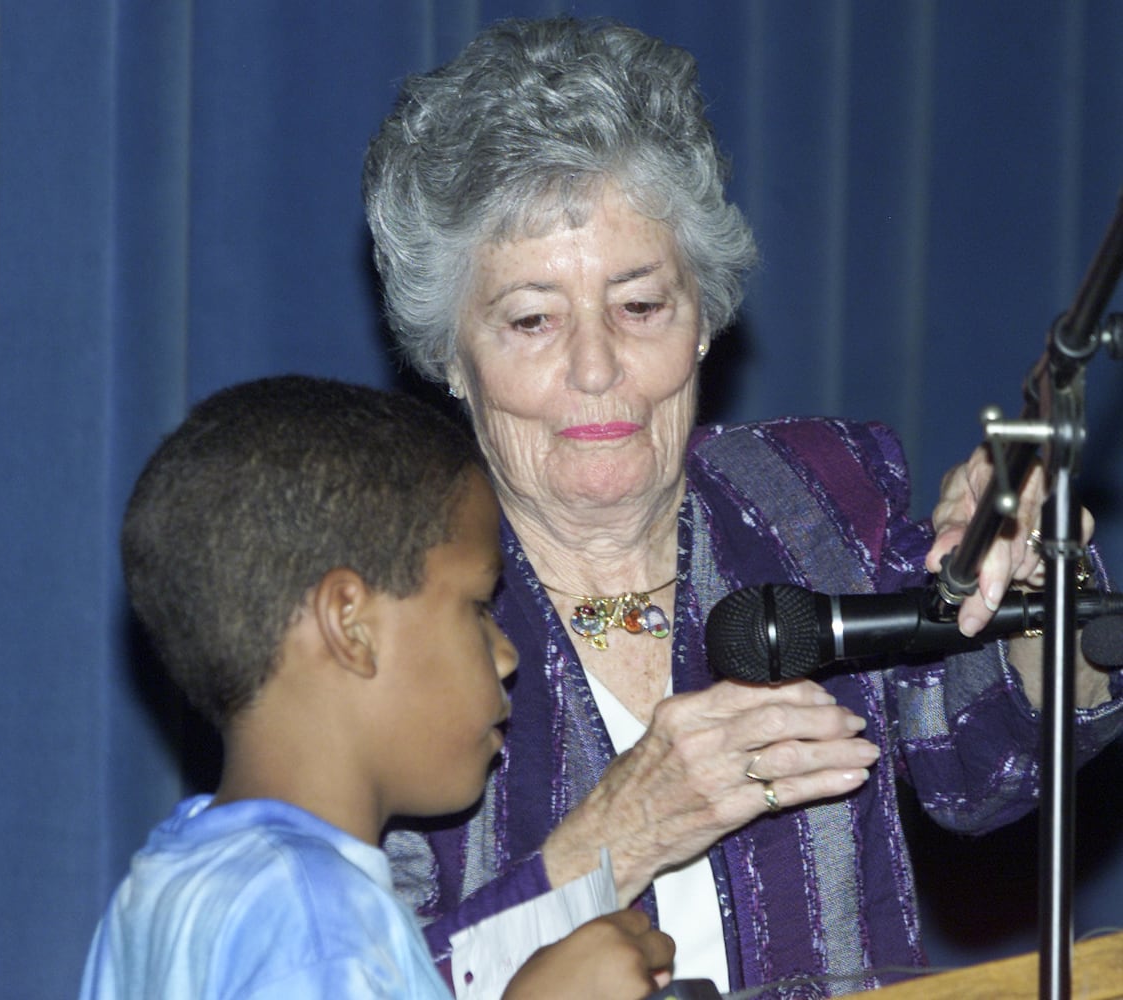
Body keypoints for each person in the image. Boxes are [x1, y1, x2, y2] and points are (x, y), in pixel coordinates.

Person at [362, 15, 1123, 997]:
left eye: (640, 307)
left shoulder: (807, 495)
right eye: (532, 320)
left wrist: (1026, 581)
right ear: (449, 359)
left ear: (706, 318)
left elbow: (988, 764)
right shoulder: (390, 609)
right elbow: (361, 974)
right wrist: (611, 841)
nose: (596, 367)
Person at [78, 375, 675, 999]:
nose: (505, 655)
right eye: (477, 606)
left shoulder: (162, 890)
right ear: (350, 626)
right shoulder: (314, 918)